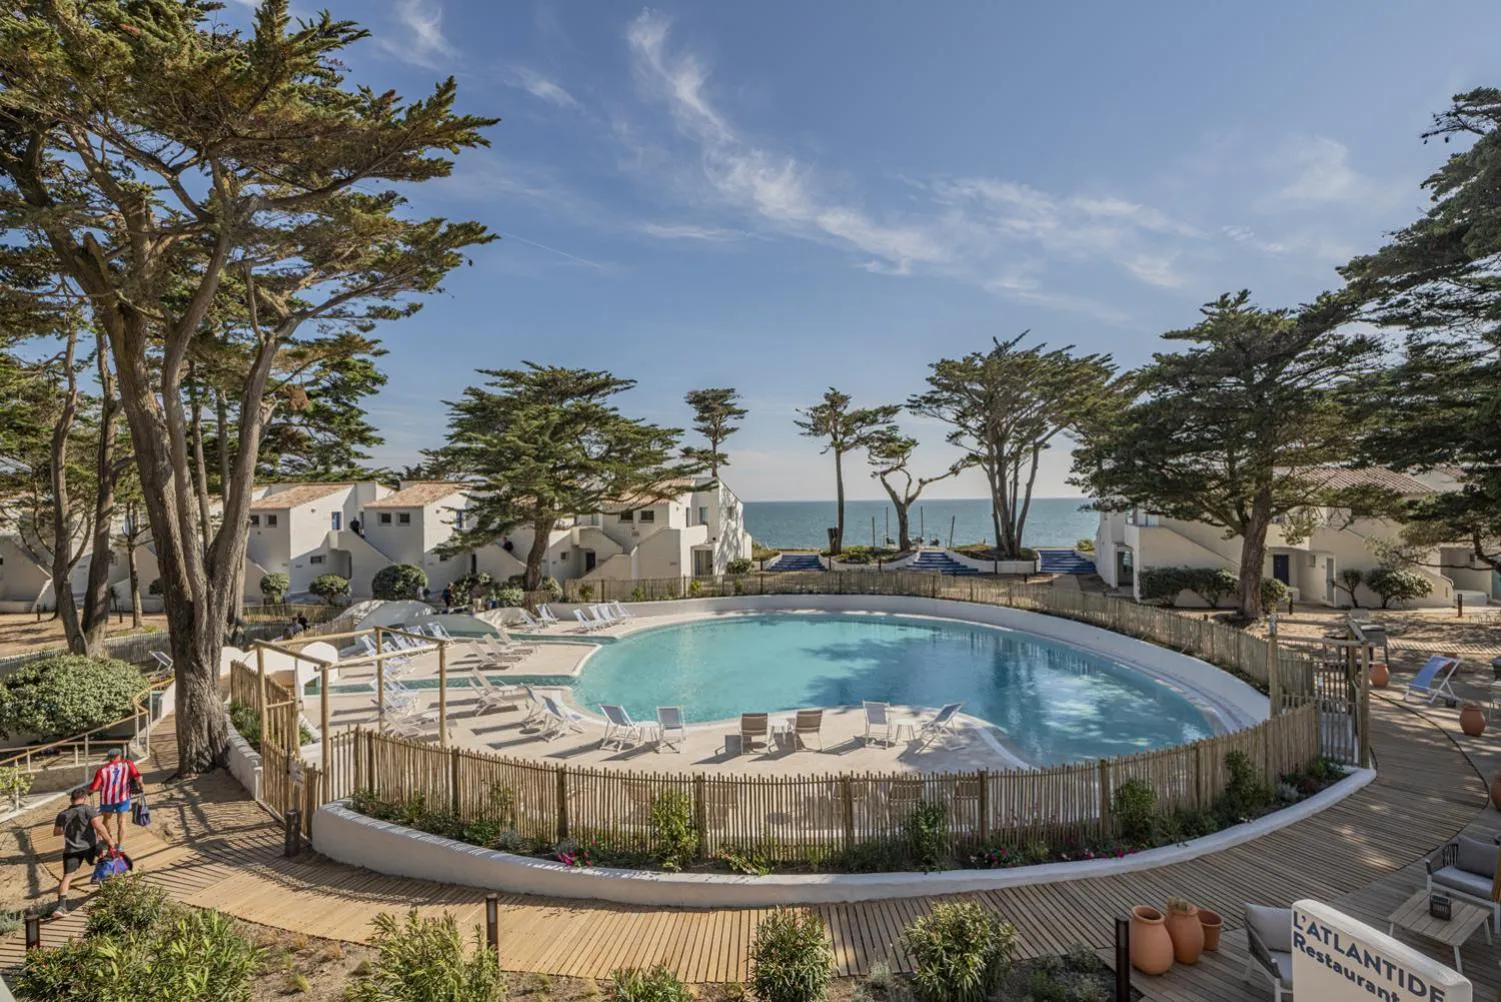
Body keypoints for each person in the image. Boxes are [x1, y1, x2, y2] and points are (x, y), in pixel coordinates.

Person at [53, 786, 114, 914]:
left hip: (70, 850)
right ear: (84, 798)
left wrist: (70, 828)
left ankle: (61, 907)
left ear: (71, 799)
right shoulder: (88, 809)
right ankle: (106, 889)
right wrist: (110, 841)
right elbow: (99, 827)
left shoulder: (62, 814)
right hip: (89, 847)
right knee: (103, 860)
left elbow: (56, 832)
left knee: (67, 877)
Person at [88, 749, 142, 848]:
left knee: (106, 820)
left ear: (109, 757)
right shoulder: (128, 764)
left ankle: (108, 839)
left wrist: (89, 791)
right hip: (123, 798)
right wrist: (141, 785)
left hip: (107, 800)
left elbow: (94, 788)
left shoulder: (102, 770)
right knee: (122, 822)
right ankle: (120, 846)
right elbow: (137, 777)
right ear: (119, 756)